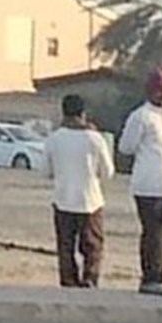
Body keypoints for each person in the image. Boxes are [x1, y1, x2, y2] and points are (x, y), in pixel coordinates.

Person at [118, 68, 162, 297]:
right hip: (149, 186)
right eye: (161, 91)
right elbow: (126, 147)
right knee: (153, 234)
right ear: (150, 91)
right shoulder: (141, 116)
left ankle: (160, 274)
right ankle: (150, 278)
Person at [43, 95, 115, 288]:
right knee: (93, 245)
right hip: (90, 200)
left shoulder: (54, 139)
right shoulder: (95, 138)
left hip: (63, 198)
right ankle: (90, 279)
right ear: (83, 114)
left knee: (66, 246)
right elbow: (108, 172)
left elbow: (45, 171)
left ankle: (68, 281)